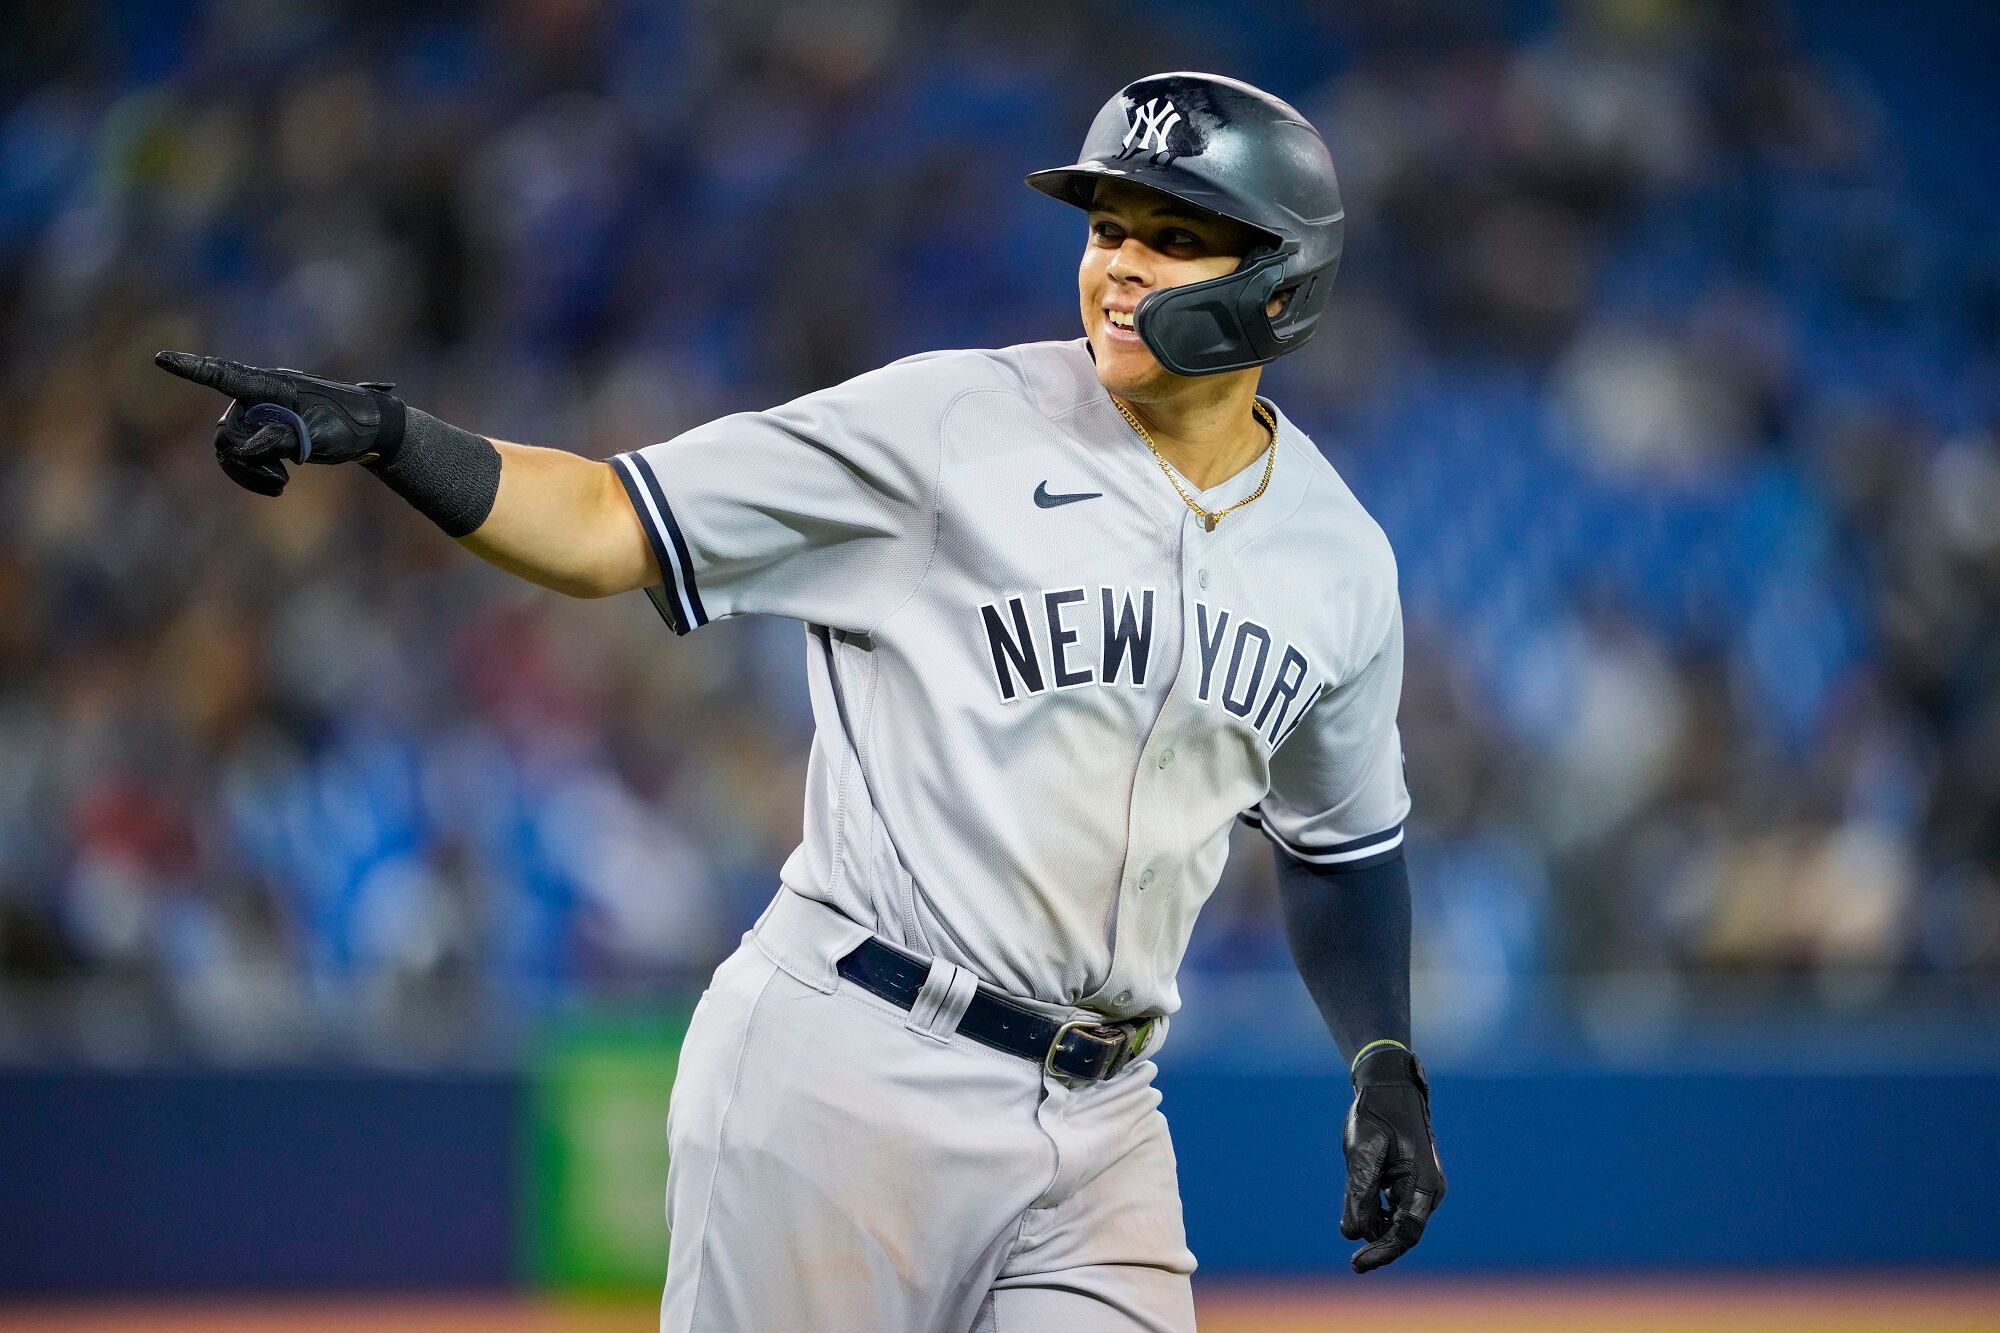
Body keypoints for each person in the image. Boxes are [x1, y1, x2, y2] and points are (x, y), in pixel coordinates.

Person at [158, 70, 1443, 1333]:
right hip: (851, 1068)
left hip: (1104, 1116)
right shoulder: (948, 423)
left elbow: (1341, 845)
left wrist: (1381, 1059)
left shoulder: (1334, 557)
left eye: (1171, 238)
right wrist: (394, 437)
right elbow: (607, 520)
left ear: (1279, 280)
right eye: (1106, 227)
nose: (1119, 265)